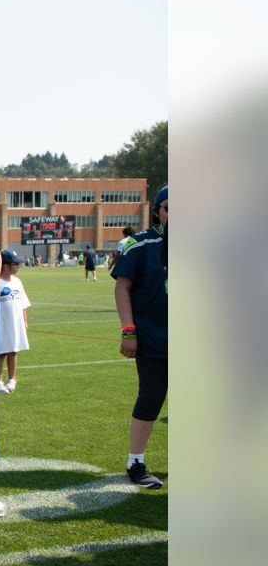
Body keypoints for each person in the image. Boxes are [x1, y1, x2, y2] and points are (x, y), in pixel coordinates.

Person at [112, 185, 167, 489]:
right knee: (152, 396)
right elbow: (122, 287)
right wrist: (129, 330)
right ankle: (136, 460)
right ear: (158, 211)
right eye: (170, 207)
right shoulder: (141, 244)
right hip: (155, 337)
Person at [0, 251, 30, 393]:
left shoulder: (17, 282)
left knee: (13, 351)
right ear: (5, 266)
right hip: (1, 323)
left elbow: (23, 303)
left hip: (15, 322)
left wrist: (25, 321)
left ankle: (12, 380)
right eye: (15, 264)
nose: (18, 267)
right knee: (0, 352)